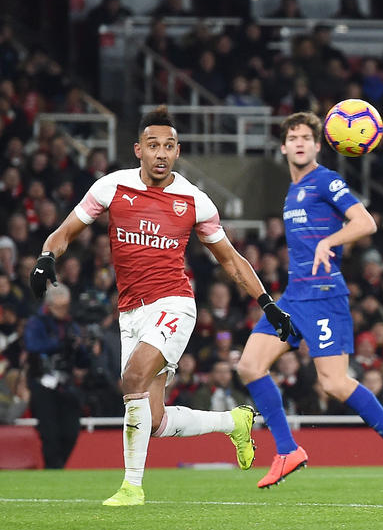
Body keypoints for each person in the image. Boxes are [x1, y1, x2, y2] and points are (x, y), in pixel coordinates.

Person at [30, 106, 294, 506]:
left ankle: (131, 487)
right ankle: (234, 421)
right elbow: (65, 232)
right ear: (138, 149)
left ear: (177, 151)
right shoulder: (112, 187)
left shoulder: (194, 199)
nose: (161, 153)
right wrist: (46, 257)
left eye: (169, 146)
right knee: (153, 420)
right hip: (130, 313)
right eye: (153, 145)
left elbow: (230, 260)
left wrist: (267, 303)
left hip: (174, 303)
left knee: (133, 378)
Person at [236, 112, 383, 490]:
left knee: (335, 384)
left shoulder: (326, 180)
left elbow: (365, 222)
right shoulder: (293, 189)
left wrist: (329, 241)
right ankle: (287, 449)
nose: (300, 142)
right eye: (293, 137)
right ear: (284, 146)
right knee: (250, 366)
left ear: (319, 145)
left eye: (307, 136)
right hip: (293, 297)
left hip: (323, 297)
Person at [23, 284, 85, 468]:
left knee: (71, 430)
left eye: (66, 306)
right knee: (50, 433)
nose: (63, 311)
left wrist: (81, 347)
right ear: (49, 305)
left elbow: (82, 361)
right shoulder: (36, 323)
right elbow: (32, 346)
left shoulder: (72, 325)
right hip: (42, 384)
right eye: (59, 307)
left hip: (66, 384)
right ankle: (53, 468)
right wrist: (59, 343)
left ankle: (58, 467)